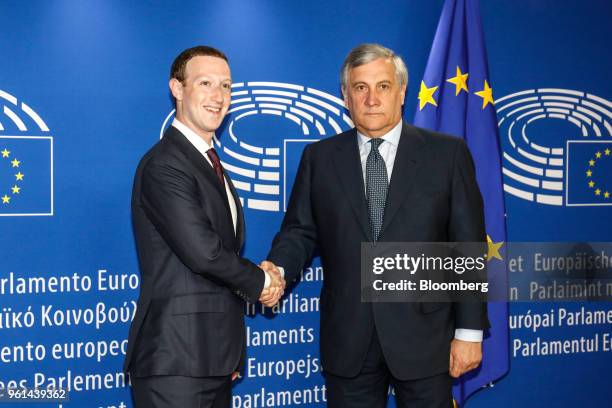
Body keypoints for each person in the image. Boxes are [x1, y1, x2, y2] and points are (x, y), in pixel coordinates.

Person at [262, 44, 488, 407]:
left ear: (401, 92)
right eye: (360, 88)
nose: (371, 99)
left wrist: (469, 331)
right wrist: (278, 269)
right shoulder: (319, 158)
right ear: (345, 97)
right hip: (350, 338)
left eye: (382, 87)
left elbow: (467, 246)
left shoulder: (447, 154)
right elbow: (299, 232)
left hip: (426, 337)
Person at [124, 45, 284, 408]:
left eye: (226, 86)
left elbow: (220, 255)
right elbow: (204, 254)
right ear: (177, 89)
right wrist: (261, 283)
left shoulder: (209, 161)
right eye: (206, 83)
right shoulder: (165, 164)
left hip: (211, 359)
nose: (218, 96)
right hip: (176, 361)